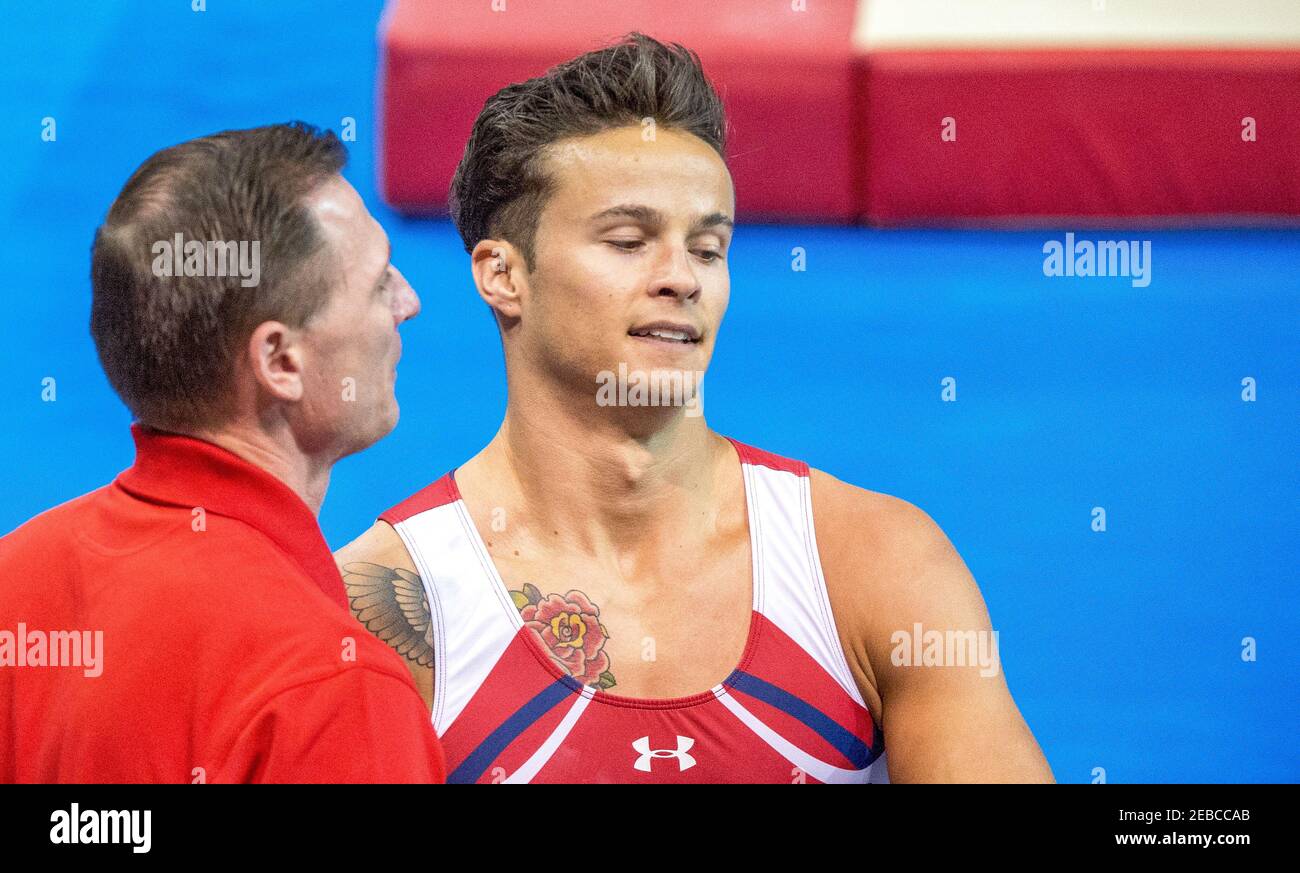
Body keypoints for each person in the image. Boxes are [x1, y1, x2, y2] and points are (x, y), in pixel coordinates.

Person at [337, 35, 1053, 783]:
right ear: (503, 276)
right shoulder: (383, 607)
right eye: (628, 240)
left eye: (708, 249)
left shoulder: (876, 562)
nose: (681, 278)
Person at [0, 122, 443, 783]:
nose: (409, 302)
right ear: (280, 360)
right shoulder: (331, 692)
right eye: (379, 282)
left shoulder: (14, 579)